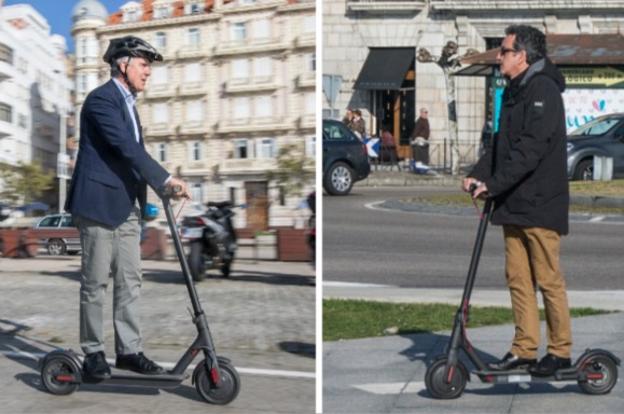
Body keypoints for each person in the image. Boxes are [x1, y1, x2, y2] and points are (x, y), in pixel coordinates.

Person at [65, 35, 190, 379]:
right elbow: (125, 148)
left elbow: (131, 161)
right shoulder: (100, 101)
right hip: (97, 204)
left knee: (130, 281)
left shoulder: (130, 106)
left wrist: (152, 196)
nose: (148, 72)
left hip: (126, 207)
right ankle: (92, 353)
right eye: (144, 65)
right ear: (123, 64)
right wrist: (164, 178)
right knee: (95, 283)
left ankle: (129, 351)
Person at [463, 25, 571, 377]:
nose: (499, 56)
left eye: (504, 51)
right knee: (518, 279)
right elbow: (499, 144)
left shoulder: (543, 91)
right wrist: (478, 173)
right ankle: (525, 348)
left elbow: (530, 151)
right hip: (514, 202)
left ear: (522, 56)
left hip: (540, 202)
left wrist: (493, 185)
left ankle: (560, 351)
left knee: (548, 280)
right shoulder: (514, 90)